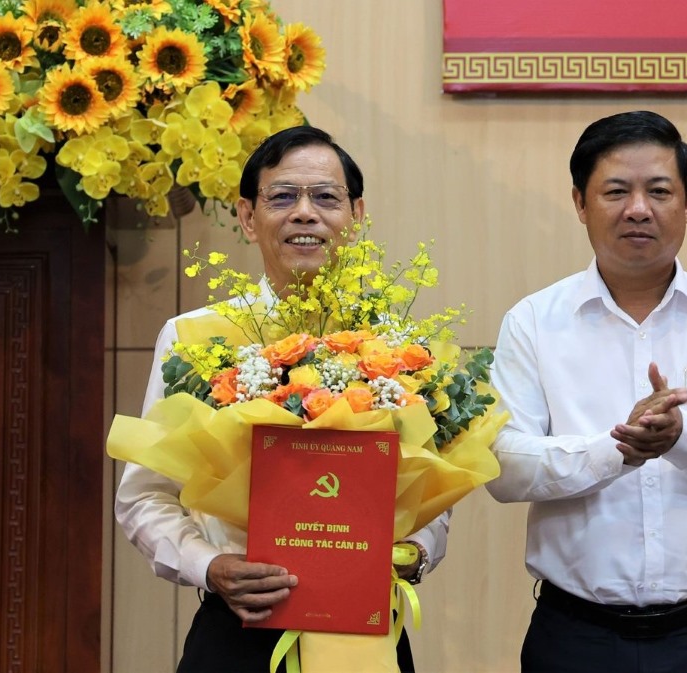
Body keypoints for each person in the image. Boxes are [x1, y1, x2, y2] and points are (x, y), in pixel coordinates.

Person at [115, 126, 446, 673]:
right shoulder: (196, 338)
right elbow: (143, 494)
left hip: (365, 629)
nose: (305, 213)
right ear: (248, 217)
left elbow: (435, 488)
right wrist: (210, 564)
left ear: (356, 215)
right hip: (237, 624)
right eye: (283, 197)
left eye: (325, 197)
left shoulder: (400, 347)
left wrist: (416, 553)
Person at [486, 110, 687, 672]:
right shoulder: (533, 322)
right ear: (580, 204)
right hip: (574, 638)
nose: (639, 208)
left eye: (659, 191)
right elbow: (503, 468)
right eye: (616, 191)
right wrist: (618, 450)